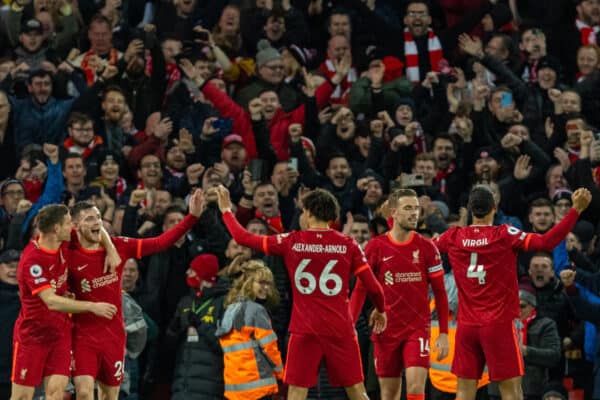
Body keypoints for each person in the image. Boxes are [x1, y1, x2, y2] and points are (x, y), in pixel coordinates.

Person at [215, 185, 387, 400]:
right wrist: (381, 309)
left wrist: (226, 211)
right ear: (332, 216)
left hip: (304, 330)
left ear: (307, 213)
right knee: (357, 392)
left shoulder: (292, 241)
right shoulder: (349, 244)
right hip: (340, 329)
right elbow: (374, 287)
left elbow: (243, 238)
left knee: (296, 393)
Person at [433, 186, 592, 400]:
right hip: (499, 325)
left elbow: (422, 248)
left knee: (463, 392)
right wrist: (575, 211)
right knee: (512, 393)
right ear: (494, 208)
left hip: (467, 327)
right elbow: (546, 241)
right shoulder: (505, 234)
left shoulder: (453, 236)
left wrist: (392, 224)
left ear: (470, 209)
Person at [67, 190, 204, 400]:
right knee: (84, 392)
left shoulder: (119, 246)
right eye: (89, 219)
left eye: (97, 217)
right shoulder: (68, 253)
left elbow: (160, 242)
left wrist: (191, 217)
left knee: (110, 395)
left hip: (114, 335)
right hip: (83, 336)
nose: (97, 223)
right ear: (75, 226)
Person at [349, 188, 450, 400]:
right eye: (407, 208)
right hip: (386, 329)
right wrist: (349, 325)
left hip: (417, 328)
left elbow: (440, 293)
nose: (414, 213)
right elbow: (360, 289)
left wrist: (442, 333)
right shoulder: (376, 247)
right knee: (389, 393)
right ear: (393, 212)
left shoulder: (428, 248)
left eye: (416, 208)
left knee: (415, 387)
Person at [11, 204, 118, 400]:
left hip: (60, 333)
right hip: (32, 336)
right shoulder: (32, 261)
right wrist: (92, 307)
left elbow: (98, 228)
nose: (73, 227)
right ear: (56, 229)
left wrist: (111, 249)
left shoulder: (64, 242)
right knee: (22, 397)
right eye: (69, 223)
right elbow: (51, 301)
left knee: (57, 392)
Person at [215, 260, 283, 400]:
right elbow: (269, 348)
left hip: (234, 388)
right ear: (248, 282)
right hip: (258, 387)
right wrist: (281, 372)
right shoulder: (256, 310)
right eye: (261, 283)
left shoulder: (230, 308)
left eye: (268, 284)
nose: (266, 288)